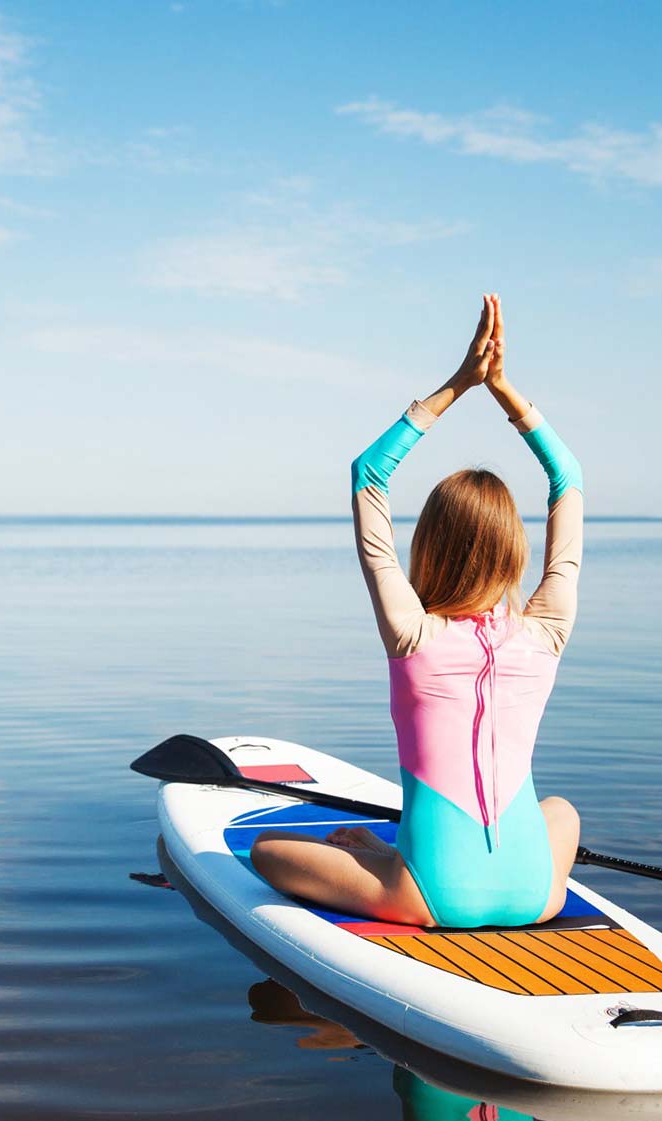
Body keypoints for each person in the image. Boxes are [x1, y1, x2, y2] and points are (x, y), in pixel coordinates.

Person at [250, 296, 584, 928]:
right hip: (538, 897)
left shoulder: (412, 634)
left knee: (268, 850)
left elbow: (367, 476)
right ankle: (396, 856)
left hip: (434, 901)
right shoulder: (547, 632)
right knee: (561, 811)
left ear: (428, 547)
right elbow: (569, 480)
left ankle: (391, 863)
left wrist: (457, 384)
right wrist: (505, 391)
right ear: (515, 551)